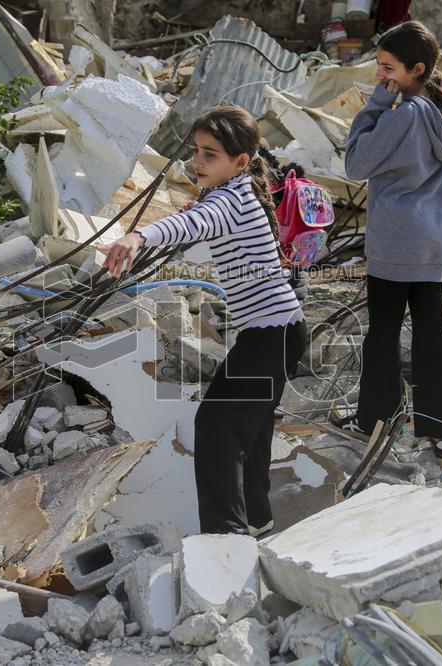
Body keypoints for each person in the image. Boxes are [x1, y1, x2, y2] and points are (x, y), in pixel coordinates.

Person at [96, 106, 307, 536]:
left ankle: (225, 536)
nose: (197, 162)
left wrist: (138, 235)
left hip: (271, 334)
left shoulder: (231, 200)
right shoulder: (238, 194)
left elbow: (191, 223)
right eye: (197, 151)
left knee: (217, 427)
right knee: (251, 432)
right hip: (277, 331)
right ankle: (257, 521)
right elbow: (199, 238)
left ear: (240, 161)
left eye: (210, 154)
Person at [343, 20, 442, 458]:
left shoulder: (406, 115)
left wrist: (377, 104)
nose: (381, 76)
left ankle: (376, 422)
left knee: (383, 335)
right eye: (380, 67)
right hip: (435, 246)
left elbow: (355, 162)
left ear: (415, 69)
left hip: (396, 245)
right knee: (430, 337)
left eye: (388, 67)